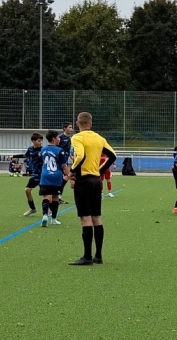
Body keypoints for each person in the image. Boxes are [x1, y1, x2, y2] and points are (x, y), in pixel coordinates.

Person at [68, 112, 117, 266]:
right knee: (96, 217)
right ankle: (98, 255)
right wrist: (100, 170)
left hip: (84, 181)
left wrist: (72, 171)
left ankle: (87, 257)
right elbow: (113, 156)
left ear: (78, 123)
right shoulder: (99, 138)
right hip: (96, 181)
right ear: (91, 124)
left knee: (85, 218)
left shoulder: (77, 138)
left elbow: (80, 156)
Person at [37, 130, 68, 226]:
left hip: (45, 175)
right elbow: (64, 165)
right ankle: (53, 219)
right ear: (54, 139)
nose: (59, 139)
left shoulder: (43, 149)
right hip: (56, 176)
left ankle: (45, 215)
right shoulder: (60, 151)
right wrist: (70, 175)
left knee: (46, 196)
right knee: (55, 197)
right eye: (58, 137)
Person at [23, 133, 45, 216]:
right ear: (33, 141)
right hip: (35, 175)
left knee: (45, 194)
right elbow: (25, 155)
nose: (41, 142)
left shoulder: (43, 150)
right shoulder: (30, 149)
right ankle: (32, 209)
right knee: (27, 190)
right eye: (39, 141)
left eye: (41, 141)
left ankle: (48, 212)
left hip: (43, 175)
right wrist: (13, 156)